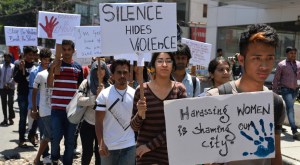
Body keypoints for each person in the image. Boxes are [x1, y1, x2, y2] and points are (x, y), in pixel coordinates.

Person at [206, 24, 285, 165]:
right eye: (257, 58)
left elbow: (276, 155)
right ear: (241, 59)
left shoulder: (276, 103)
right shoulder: (214, 98)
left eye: (270, 58)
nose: (264, 66)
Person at [131, 52, 187, 164]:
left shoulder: (179, 90)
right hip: (145, 156)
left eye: (168, 61)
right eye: (160, 61)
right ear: (153, 65)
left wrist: (150, 146)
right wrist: (140, 114)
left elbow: (180, 126)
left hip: (171, 154)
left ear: (173, 65)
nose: (164, 64)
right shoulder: (142, 90)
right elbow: (134, 127)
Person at [47, 40, 83, 165]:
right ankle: (55, 157)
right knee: (55, 137)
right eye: (64, 49)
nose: (66, 52)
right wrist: (51, 69)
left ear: (73, 51)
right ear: (60, 50)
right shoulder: (55, 66)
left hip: (72, 111)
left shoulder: (78, 68)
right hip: (57, 109)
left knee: (70, 141)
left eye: (69, 49)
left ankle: (67, 162)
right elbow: (49, 84)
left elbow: (80, 89)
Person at [95, 59, 136, 165]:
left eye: (125, 72)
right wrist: (101, 143)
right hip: (109, 147)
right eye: (119, 72)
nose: (122, 75)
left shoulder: (135, 94)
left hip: (129, 146)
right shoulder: (104, 95)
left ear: (129, 75)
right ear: (112, 75)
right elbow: (98, 121)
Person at [78, 60, 110, 165]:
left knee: (100, 153)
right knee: (87, 153)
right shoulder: (86, 83)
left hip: (102, 126)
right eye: (97, 69)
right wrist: (94, 98)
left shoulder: (110, 87)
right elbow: (79, 100)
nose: (100, 71)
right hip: (88, 124)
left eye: (102, 68)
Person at [273, 46, 300, 140]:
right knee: (290, 108)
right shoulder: (282, 65)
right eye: (291, 53)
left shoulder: (298, 64)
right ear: (287, 54)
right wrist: (274, 92)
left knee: (288, 108)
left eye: (294, 53)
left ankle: (278, 124)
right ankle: (294, 130)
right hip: (286, 89)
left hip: (296, 90)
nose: (293, 55)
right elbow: (276, 79)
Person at [31, 48, 52, 164]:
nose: (46, 62)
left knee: (49, 134)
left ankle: (43, 157)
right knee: (49, 134)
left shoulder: (56, 73)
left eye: (48, 60)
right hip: (44, 109)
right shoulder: (38, 74)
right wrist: (34, 109)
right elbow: (33, 93)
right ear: (41, 59)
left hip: (55, 109)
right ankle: (40, 157)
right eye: (44, 59)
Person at [13, 46, 35, 147]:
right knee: (23, 117)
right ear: (25, 55)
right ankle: (21, 138)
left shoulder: (36, 66)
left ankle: (32, 135)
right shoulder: (18, 64)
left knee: (35, 117)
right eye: (29, 54)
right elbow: (16, 79)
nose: (31, 57)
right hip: (23, 94)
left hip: (33, 95)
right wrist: (20, 70)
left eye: (33, 54)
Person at [0, 53, 15, 126]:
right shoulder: (1, 66)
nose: (6, 59)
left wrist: (8, 83)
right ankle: (5, 118)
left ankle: (11, 118)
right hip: (2, 88)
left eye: (8, 58)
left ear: (10, 58)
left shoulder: (13, 67)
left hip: (10, 88)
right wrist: (3, 84)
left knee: (10, 102)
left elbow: (14, 77)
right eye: (5, 57)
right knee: (3, 103)